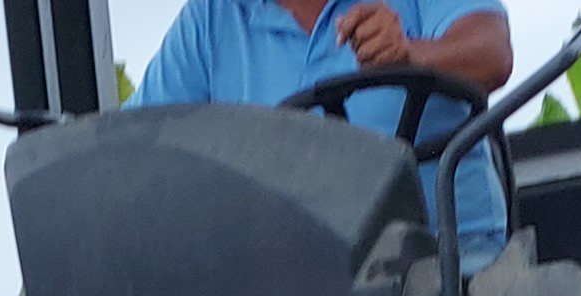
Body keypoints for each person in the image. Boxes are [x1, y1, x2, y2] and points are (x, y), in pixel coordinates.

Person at [131, 0, 519, 266]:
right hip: (294, 294)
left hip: (451, 263)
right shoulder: (210, 20)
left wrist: (410, 55)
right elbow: (132, 145)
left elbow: (492, 53)